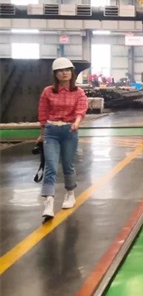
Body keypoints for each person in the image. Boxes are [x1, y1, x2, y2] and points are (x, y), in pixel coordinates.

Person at [37, 57, 88, 221]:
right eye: (60, 71)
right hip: (51, 131)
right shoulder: (48, 92)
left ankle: (70, 193)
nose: (64, 73)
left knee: (68, 165)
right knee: (50, 166)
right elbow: (43, 112)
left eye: (67, 70)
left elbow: (81, 109)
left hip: (69, 131)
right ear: (55, 74)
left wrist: (77, 123)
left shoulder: (78, 92)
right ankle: (49, 202)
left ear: (71, 73)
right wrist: (42, 133)